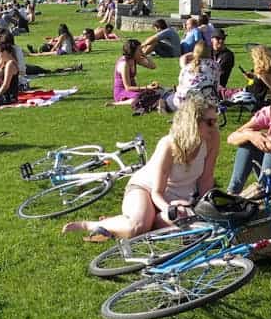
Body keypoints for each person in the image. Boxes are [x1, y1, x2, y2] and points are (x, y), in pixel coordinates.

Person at [62, 92, 220, 241]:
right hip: (146, 189)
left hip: (181, 197)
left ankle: (146, 219)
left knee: (188, 226)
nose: (215, 126)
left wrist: (203, 205)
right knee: (138, 228)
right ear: (193, 122)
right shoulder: (169, 144)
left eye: (216, 121)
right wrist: (168, 209)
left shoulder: (212, 138)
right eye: (210, 122)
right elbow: (157, 192)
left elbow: (207, 178)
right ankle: (91, 225)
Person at [168, 41, 221, 110]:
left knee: (169, 97)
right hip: (206, 101)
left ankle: (162, 104)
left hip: (184, 101)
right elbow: (216, 86)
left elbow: (180, 83)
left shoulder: (187, 67)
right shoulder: (215, 65)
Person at [111, 38, 158, 104]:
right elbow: (128, 87)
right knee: (141, 97)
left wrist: (145, 55)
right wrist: (147, 87)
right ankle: (116, 103)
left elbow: (153, 66)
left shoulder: (135, 59)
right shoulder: (124, 64)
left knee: (154, 93)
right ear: (132, 51)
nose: (141, 51)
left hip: (133, 90)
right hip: (122, 92)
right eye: (139, 50)